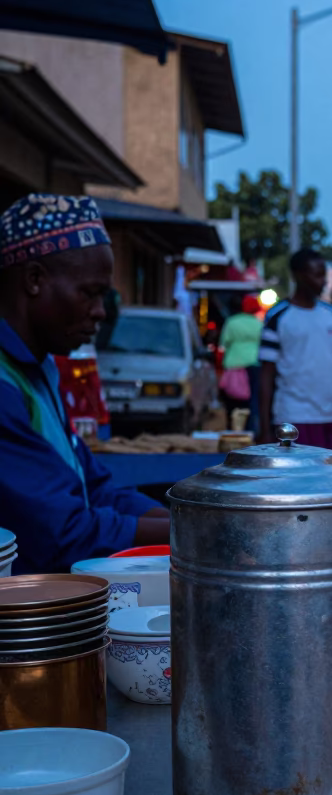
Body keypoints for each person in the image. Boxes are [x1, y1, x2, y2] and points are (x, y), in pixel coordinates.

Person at [0, 194, 170, 574]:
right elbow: (63, 533)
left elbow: (93, 488)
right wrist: (193, 535)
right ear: (34, 280)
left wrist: (190, 521)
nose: (100, 312)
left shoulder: (38, 368)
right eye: (89, 293)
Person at [257, 249, 332, 463]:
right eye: (316, 275)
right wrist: (264, 426)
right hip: (295, 419)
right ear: (298, 275)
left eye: (323, 275)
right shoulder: (278, 317)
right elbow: (266, 375)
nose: (322, 282)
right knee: (302, 490)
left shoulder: (331, 315)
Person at [219, 294, 263, 433]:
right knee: (252, 401)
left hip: (234, 365)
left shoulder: (232, 322)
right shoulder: (259, 324)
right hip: (254, 365)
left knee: (232, 400)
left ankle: (232, 428)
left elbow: (223, 344)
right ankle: (250, 430)